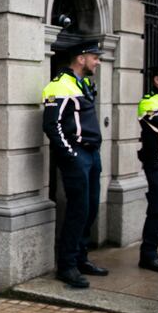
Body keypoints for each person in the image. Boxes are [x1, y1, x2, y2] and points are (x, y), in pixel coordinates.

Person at [42, 40, 109, 288]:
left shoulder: (85, 84)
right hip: (78, 156)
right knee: (78, 210)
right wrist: (72, 155)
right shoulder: (59, 86)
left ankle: (81, 258)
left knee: (90, 208)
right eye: (95, 57)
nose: (98, 61)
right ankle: (67, 265)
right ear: (81, 58)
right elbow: (51, 125)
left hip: (92, 155)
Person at [137, 65, 158, 272]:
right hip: (156, 164)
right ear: (157, 80)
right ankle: (148, 254)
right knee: (157, 208)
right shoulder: (149, 101)